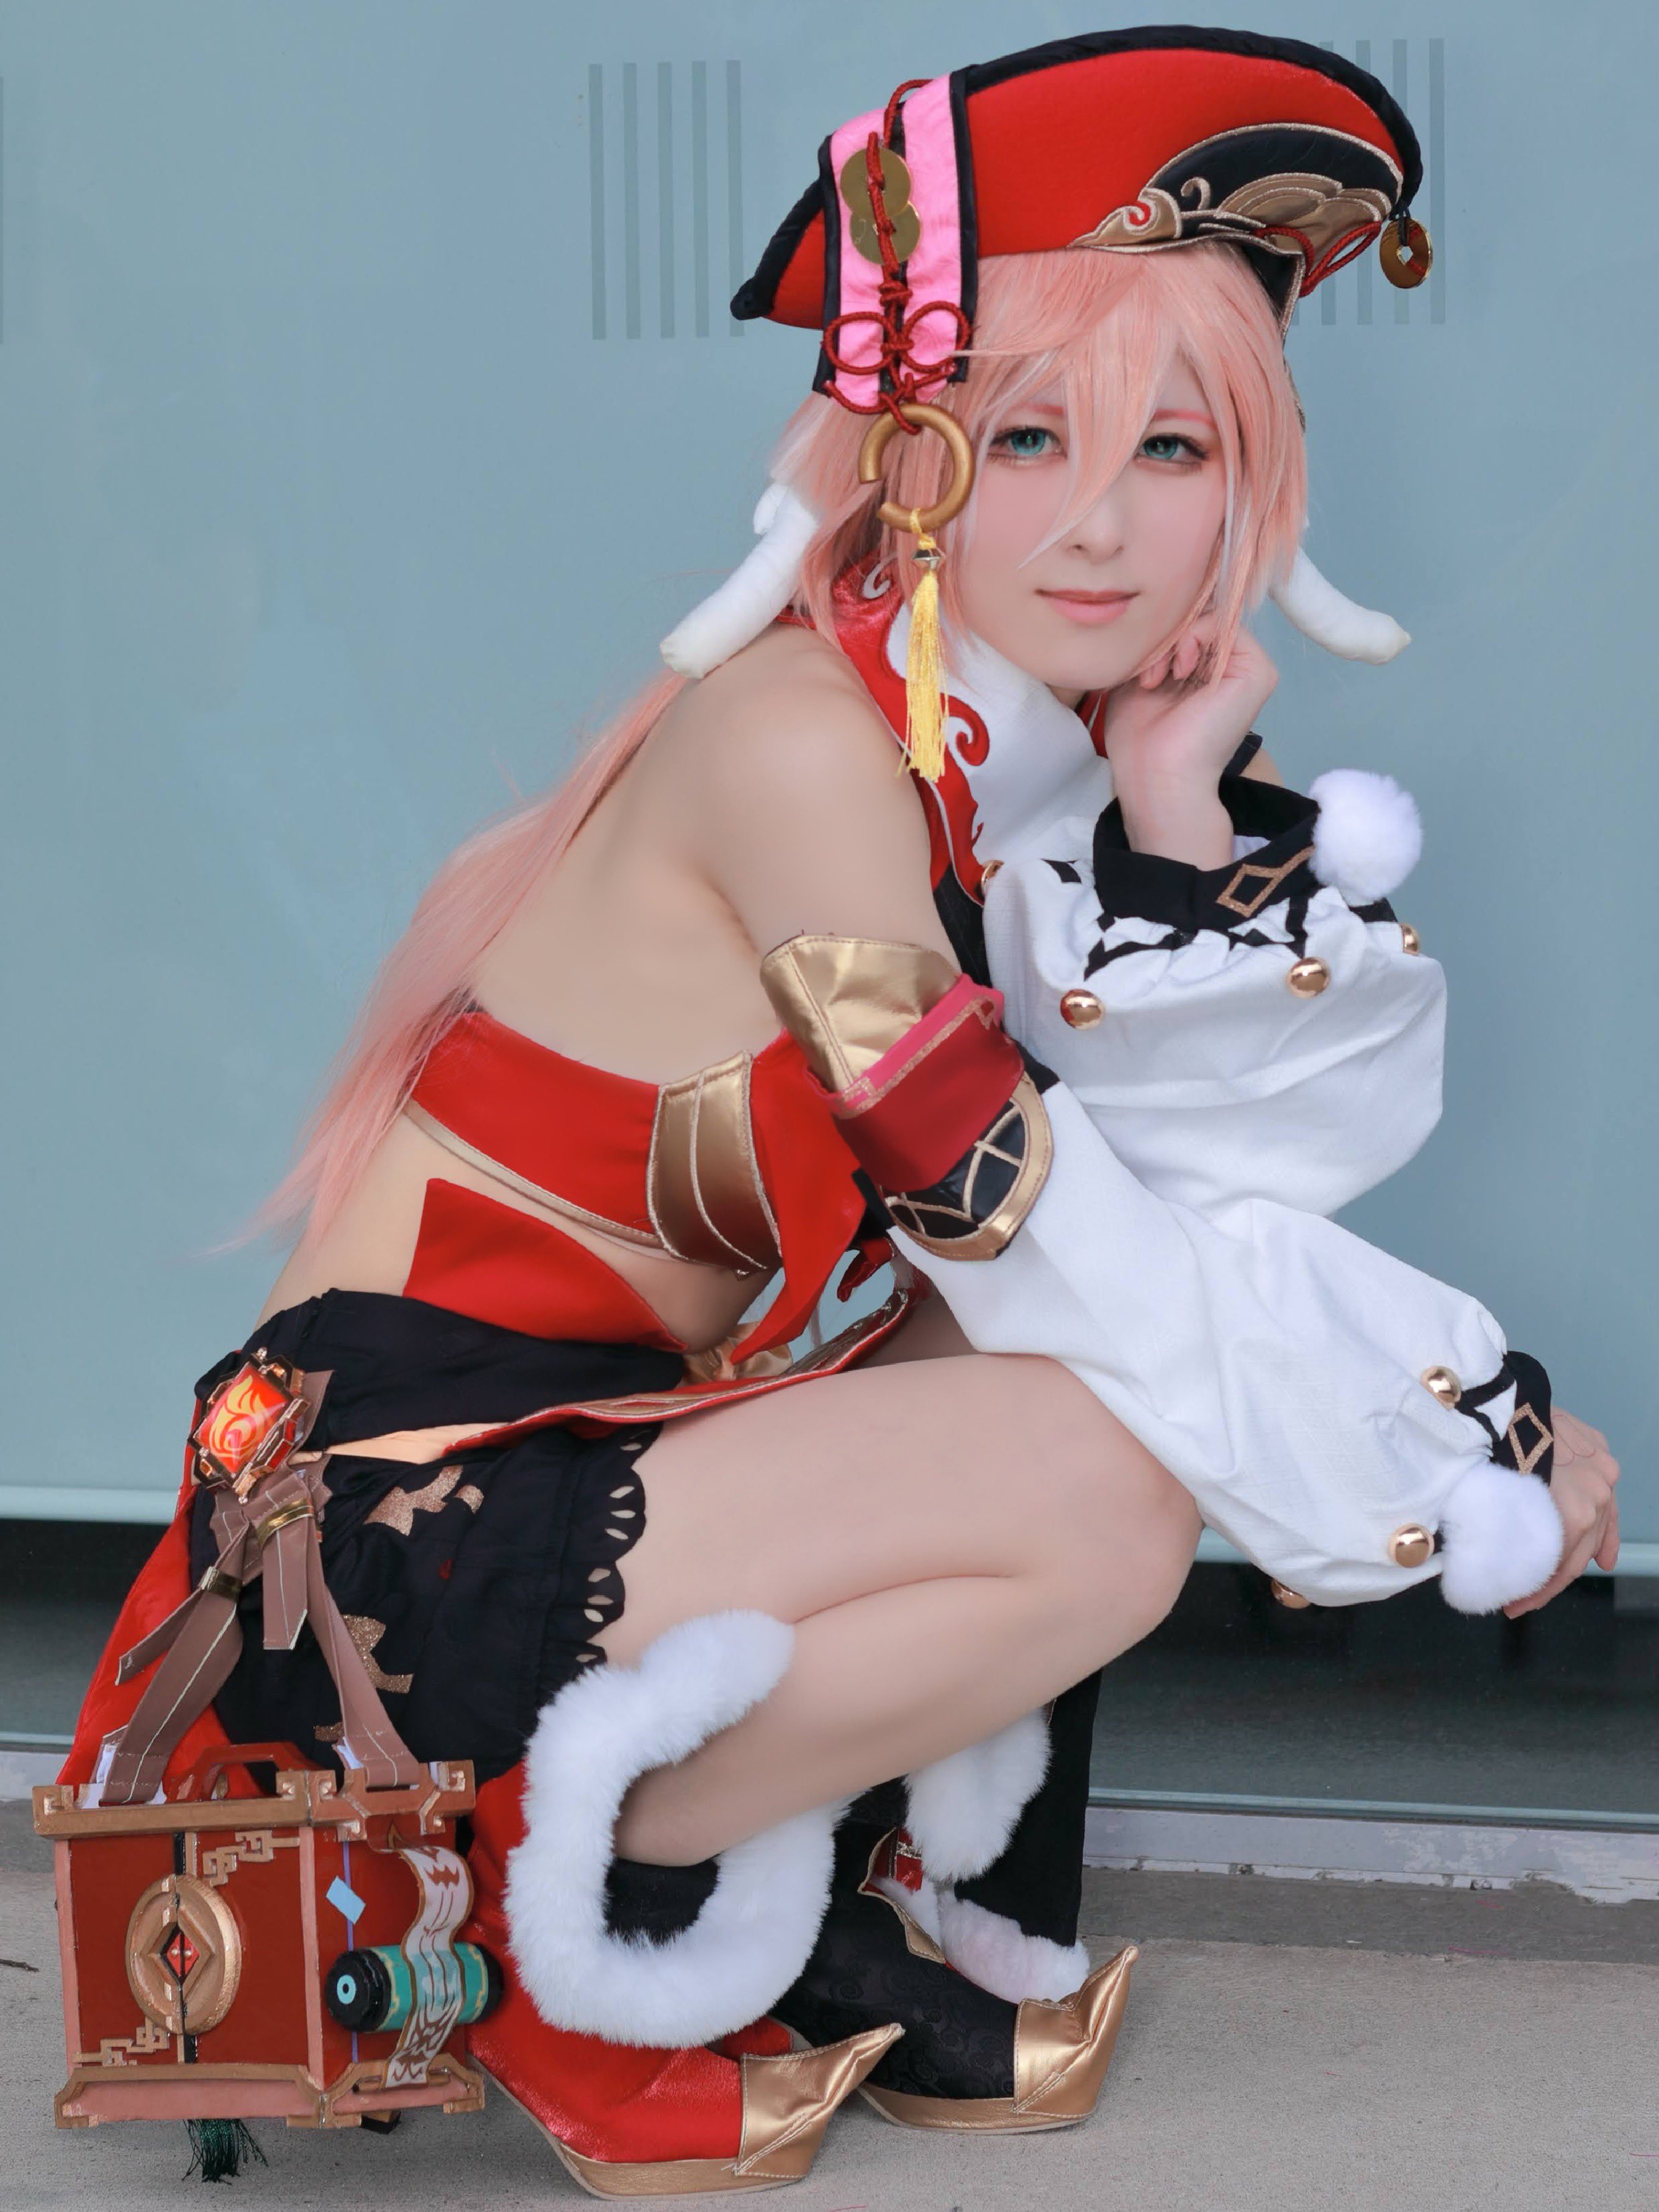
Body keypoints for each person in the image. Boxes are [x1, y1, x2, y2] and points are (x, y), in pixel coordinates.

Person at [55, 24, 1619, 2201]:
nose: (1101, 520)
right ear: (912, 457)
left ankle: (799, 1909)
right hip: (388, 1529)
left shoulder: (1025, 771)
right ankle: (549, 1904)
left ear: (1250, 486)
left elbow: (1205, 1187)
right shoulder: (802, 741)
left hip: (614, 1446)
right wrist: (1443, 1445)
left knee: (1088, 1389)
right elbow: (1021, 1212)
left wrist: (1178, 824)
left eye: (1174, 447)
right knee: (1111, 1477)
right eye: (1028, 431)